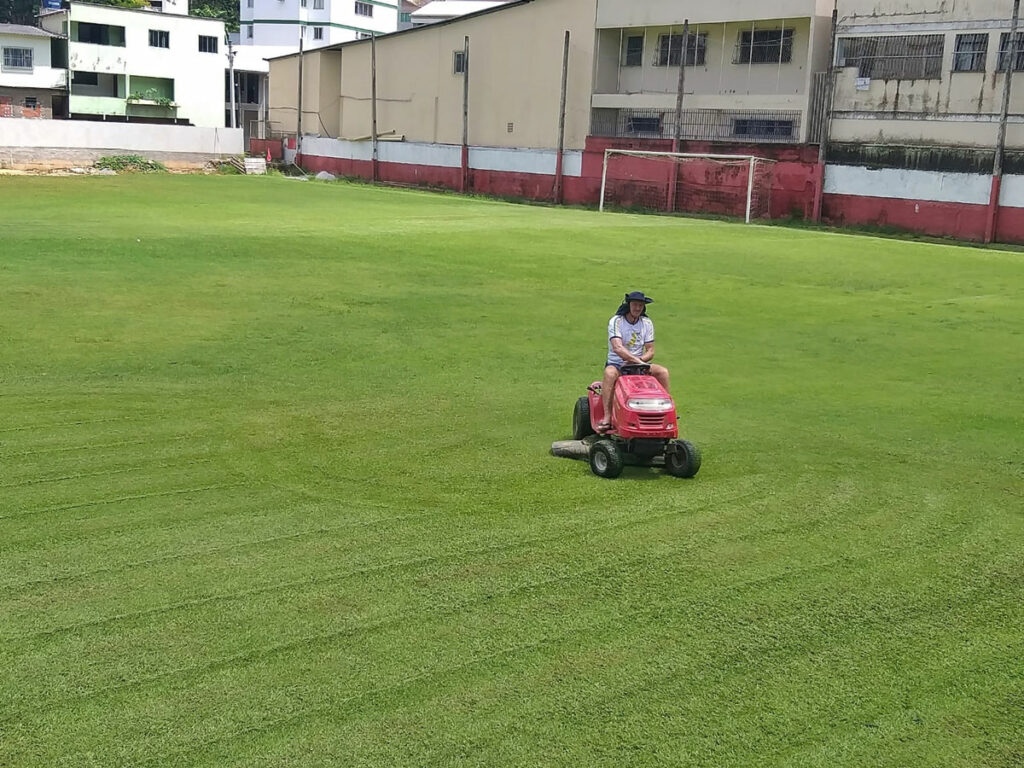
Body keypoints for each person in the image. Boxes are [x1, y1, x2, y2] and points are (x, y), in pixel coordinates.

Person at [597, 290, 670, 433]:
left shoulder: (646, 323)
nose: (638, 308)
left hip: (639, 364)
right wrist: (634, 360)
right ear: (629, 305)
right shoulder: (616, 321)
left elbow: (651, 350)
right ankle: (607, 417)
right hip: (618, 364)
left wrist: (639, 361)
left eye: (640, 306)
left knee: (662, 372)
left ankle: (665, 411)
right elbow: (617, 348)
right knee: (610, 373)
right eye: (635, 305)